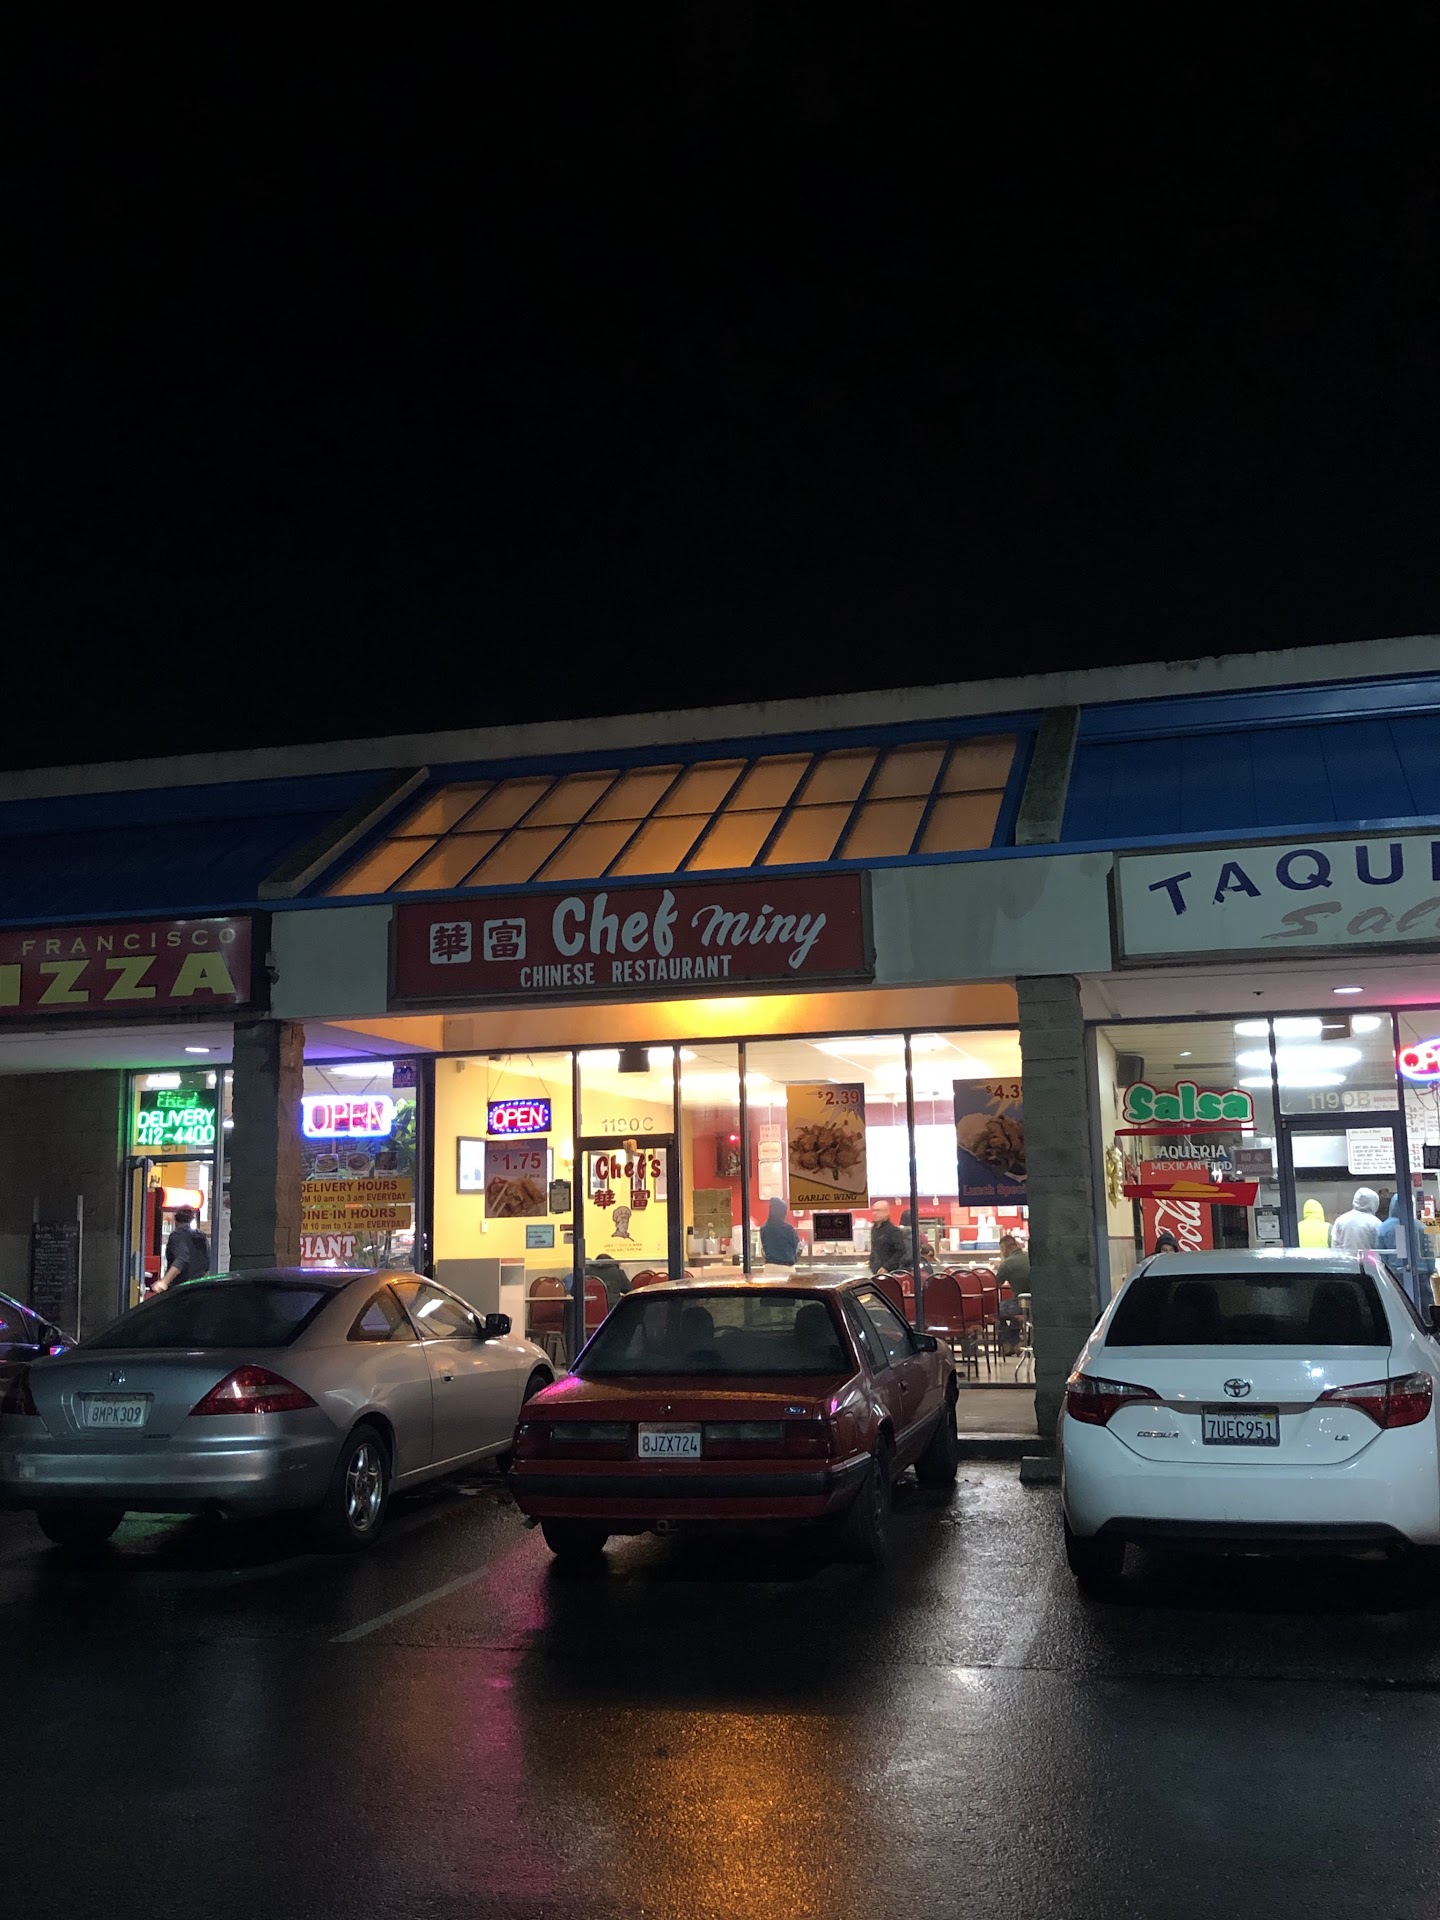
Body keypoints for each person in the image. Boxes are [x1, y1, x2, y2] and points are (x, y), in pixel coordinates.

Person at [156, 1205, 210, 1292]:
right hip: (199, 1288)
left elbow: (181, 1259)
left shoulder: (177, 1235)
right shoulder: (202, 1237)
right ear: (192, 1219)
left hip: (181, 1289)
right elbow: (207, 1264)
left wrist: (164, 1282)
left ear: (175, 1219)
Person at [995, 1233, 1029, 1351]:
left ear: (1004, 1248)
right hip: (1037, 1302)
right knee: (1015, 1310)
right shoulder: (1029, 1257)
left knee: (996, 1310)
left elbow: (995, 1285)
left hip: (1020, 1304)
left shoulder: (1007, 1263)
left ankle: (1010, 1342)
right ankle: (1015, 1343)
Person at [868, 1200, 909, 1275]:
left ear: (886, 1212)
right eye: (873, 1210)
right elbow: (874, 1250)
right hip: (876, 1271)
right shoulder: (874, 1229)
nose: (875, 1213)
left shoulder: (893, 1231)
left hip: (890, 1273)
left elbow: (901, 1251)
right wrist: (871, 1263)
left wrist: (887, 1267)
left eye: (878, 1210)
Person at [758, 1197, 799, 1267]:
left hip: (769, 1266)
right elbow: (795, 1246)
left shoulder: (763, 1228)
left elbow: (764, 1248)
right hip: (786, 1266)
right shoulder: (788, 1229)